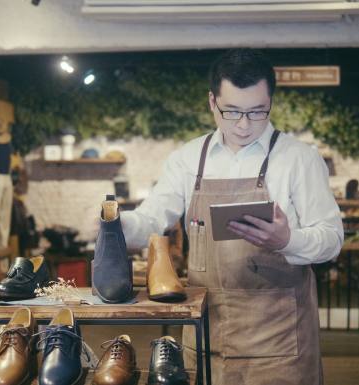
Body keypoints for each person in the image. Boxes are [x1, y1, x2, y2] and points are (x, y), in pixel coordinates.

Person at [120, 49, 343, 385]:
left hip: (279, 341)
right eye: (232, 111)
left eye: (257, 112)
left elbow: (332, 239)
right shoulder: (188, 158)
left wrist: (288, 240)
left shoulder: (299, 159)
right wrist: (116, 226)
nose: (244, 124)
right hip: (205, 331)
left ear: (270, 102)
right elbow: (151, 220)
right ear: (213, 101)